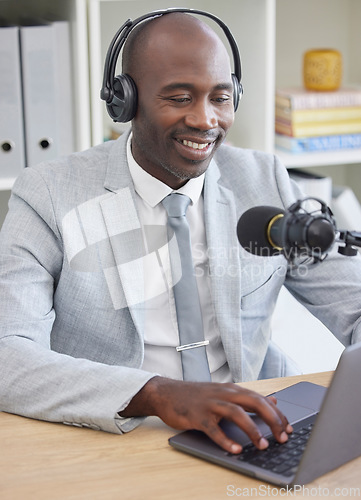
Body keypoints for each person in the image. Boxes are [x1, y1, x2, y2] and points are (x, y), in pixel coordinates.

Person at [1, 10, 361, 456]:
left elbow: (354, 299)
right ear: (126, 102)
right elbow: (7, 356)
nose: (206, 120)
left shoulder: (263, 178)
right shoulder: (52, 194)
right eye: (179, 98)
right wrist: (157, 393)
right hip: (117, 434)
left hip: (253, 429)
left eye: (221, 98)